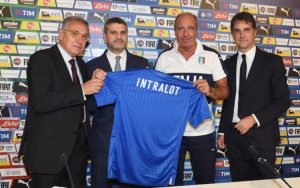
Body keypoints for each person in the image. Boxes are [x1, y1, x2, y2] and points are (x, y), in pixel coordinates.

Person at [19, 16, 106, 188]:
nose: (80, 40)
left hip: (78, 149)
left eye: (85, 36)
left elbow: (87, 102)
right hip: (48, 151)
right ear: (61, 34)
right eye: (75, 33)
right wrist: (83, 89)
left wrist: (96, 83)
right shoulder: (41, 59)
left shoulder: (81, 64)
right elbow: (42, 102)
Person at [155, 12, 229, 185]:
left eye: (190, 28)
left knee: (205, 181)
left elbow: (225, 91)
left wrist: (210, 90)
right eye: (181, 28)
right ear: (174, 31)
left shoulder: (211, 55)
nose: (185, 33)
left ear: (197, 30)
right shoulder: (164, 57)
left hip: (202, 132)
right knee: (171, 181)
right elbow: (156, 96)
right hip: (172, 133)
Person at [217, 12, 290, 181]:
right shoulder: (227, 64)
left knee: (264, 185)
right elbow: (228, 101)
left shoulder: (273, 62)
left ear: (255, 32)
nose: (242, 35)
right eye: (237, 31)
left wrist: (253, 118)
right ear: (232, 34)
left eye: (246, 30)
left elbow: (283, 101)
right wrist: (222, 131)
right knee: (239, 183)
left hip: (262, 137)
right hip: (234, 138)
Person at [86, 17, 149, 188]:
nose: (119, 36)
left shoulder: (142, 64)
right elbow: (88, 107)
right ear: (105, 37)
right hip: (103, 141)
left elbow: (147, 104)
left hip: (134, 142)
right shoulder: (91, 66)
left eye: (123, 32)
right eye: (113, 32)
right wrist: (94, 87)